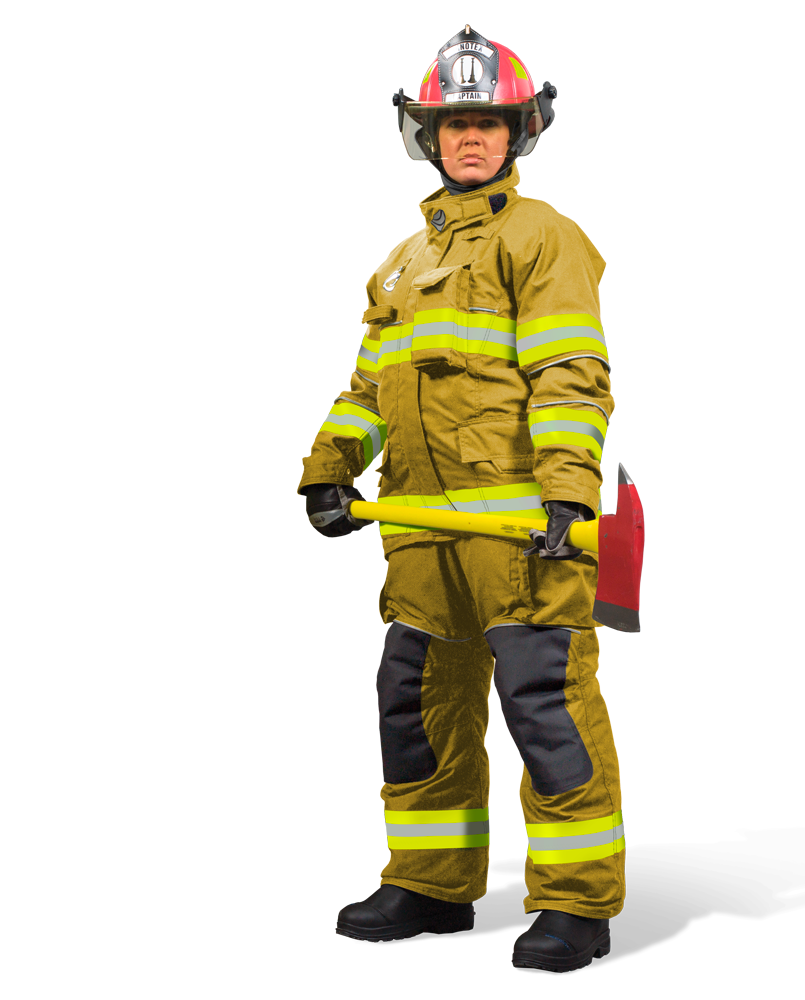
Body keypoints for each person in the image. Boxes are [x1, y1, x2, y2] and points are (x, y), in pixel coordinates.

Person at [299, 26, 623, 973]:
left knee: (546, 707)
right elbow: (370, 388)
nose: (470, 137)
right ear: (428, 137)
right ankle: (432, 883)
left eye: (487, 123)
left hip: (521, 533)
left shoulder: (544, 237)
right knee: (416, 704)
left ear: (517, 133)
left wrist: (569, 492)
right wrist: (329, 467)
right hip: (418, 531)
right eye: (453, 124)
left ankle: (576, 903)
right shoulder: (403, 263)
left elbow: (571, 371)